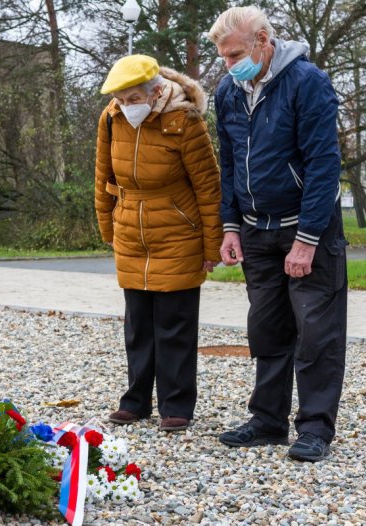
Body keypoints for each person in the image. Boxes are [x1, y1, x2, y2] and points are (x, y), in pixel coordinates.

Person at [208, 6, 347, 462]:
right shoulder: (227, 91)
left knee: (315, 333)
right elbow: (228, 165)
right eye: (223, 58)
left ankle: (314, 429)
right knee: (266, 328)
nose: (229, 66)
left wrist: (307, 239)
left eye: (234, 55)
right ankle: (267, 420)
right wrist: (230, 227)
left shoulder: (308, 82)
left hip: (308, 230)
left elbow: (324, 165)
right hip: (256, 230)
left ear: (263, 41)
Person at [94, 55, 222, 432]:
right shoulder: (111, 118)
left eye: (134, 98)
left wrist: (211, 247)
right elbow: (103, 177)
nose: (127, 105)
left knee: (175, 324)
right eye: (121, 98)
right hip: (132, 229)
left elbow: (208, 187)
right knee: (138, 325)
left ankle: (176, 405)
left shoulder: (185, 121)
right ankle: (135, 401)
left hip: (178, 231)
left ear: (155, 91)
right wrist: (108, 228)